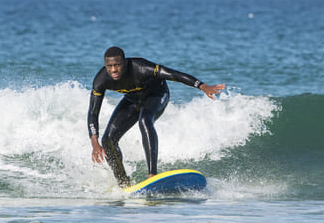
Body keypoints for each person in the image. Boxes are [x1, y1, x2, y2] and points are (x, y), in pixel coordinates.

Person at [87, 46, 226, 187]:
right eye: (109, 66)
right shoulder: (101, 79)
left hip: (157, 94)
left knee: (145, 120)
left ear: (125, 62)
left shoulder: (141, 67)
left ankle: (152, 174)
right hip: (132, 100)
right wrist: (94, 142)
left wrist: (202, 86)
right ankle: (123, 184)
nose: (113, 70)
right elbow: (93, 112)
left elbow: (173, 74)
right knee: (108, 140)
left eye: (117, 65)